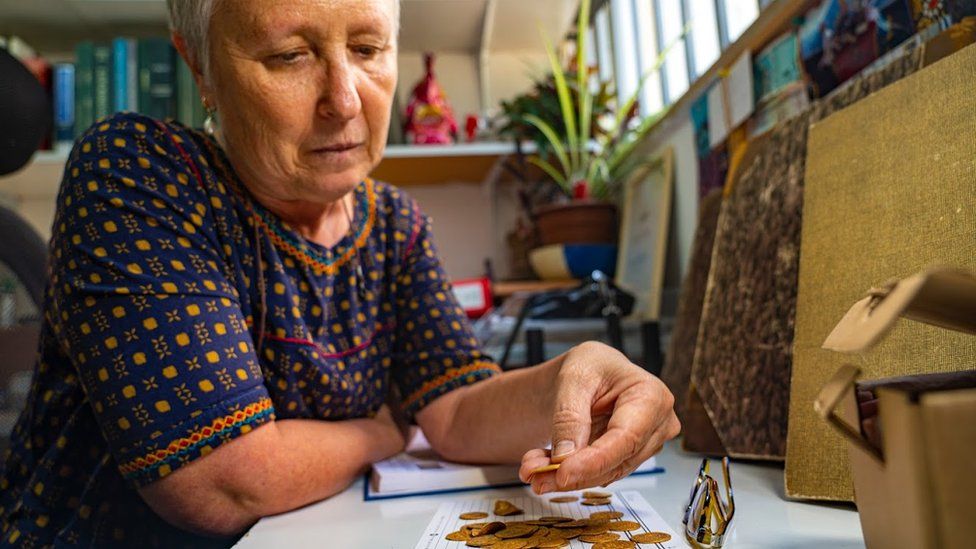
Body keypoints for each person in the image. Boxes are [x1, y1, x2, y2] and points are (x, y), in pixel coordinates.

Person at [0, 0, 680, 546]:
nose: (346, 99)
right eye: (290, 55)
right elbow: (221, 480)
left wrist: (575, 378)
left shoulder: (395, 225)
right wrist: (383, 431)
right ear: (201, 69)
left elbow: (457, 407)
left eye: (368, 48)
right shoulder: (141, 173)